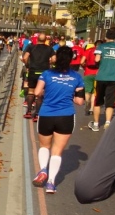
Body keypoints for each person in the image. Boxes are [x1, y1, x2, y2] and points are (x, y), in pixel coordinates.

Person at [30, 47, 84, 194]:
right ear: (71, 59)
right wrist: (68, 95)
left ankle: (43, 170)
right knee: (57, 151)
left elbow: (37, 92)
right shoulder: (77, 77)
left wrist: (47, 93)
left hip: (46, 114)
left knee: (44, 146)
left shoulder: (46, 74)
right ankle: (51, 183)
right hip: (66, 116)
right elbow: (80, 101)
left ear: (56, 58)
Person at [89, 27, 115, 132]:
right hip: (114, 77)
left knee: (98, 100)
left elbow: (97, 59)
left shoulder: (101, 46)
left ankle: (96, 124)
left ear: (106, 36)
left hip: (101, 77)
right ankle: (107, 123)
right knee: (110, 101)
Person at [22, 32, 56, 121]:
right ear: (45, 40)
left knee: (31, 91)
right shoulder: (49, 48)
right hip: (44, 72)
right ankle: (37, 114)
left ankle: (29, 112)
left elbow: (25, 58)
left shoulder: (31, 47)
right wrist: (49, 63)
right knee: (40, 94)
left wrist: (27, 65)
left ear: (37, 39)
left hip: (33, 71)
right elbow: (54, 59)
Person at [81, 39, 103, 116]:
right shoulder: (103, 51)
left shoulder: (89, 50)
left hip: (88, 72)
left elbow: (81, 62)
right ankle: (91, 108)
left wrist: (84, 67)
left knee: (87, 90)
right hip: (98, 73)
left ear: (95, 44)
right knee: (94, 92)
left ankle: (87, 102)